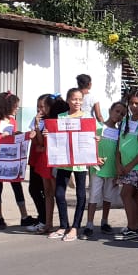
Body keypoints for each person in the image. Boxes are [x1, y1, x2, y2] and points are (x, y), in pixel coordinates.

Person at [0, 91, 34, 229]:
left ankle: (24, 216)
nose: (17, 108)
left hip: (12, 159)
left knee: (17, 185)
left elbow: (14, 138)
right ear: (6, 106)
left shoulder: (12, 121)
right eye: (16, 106)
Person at [50, 88, 89, 242]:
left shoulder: (87, 117)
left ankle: (75, 227)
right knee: (59, 193)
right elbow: (55, 137)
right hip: (64, 160)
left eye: (80, 99)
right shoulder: (61, 117)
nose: (77, 102)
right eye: (74, 99)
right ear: (68, 100)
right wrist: (48, 135)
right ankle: (63, 225)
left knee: (80, 193)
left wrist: (96, 140)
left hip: (81, 161)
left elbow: (95, 134)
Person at [83, 101, 126, 237]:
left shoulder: (120, 133)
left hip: (112, 169)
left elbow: (120, 151)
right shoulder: (98, 127)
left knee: (108, 197)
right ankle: (89, 224)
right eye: (117, 111)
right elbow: (89, 145)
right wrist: (94, 158)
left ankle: (104, 222)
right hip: (97, 168)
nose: (118, 115)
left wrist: (119, 170)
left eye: (122, 114)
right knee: (94, 196)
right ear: (110, 110)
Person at [115, 91, 138, 240]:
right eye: (131, 103)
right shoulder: (125, 121)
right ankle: (135, 226)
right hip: (124, 164)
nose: (133, 106)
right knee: (133, 195)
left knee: (125, 194)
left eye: (137, 103)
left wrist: (130, 165)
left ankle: (132, 228)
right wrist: (118, 163)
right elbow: (119, 144)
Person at [26, 94, 56, 233]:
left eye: (42, 106)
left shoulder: (53, 121)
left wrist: (42, 142)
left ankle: (45, 220)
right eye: (38, 106)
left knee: (45, 191)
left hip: (46, 159)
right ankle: (43, 219)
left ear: (49, 107)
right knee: (34, 189)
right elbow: (36, 140)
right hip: (36, 158)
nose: (39, 109)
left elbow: (43, 142)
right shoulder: (36, 120)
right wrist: (35, 127)